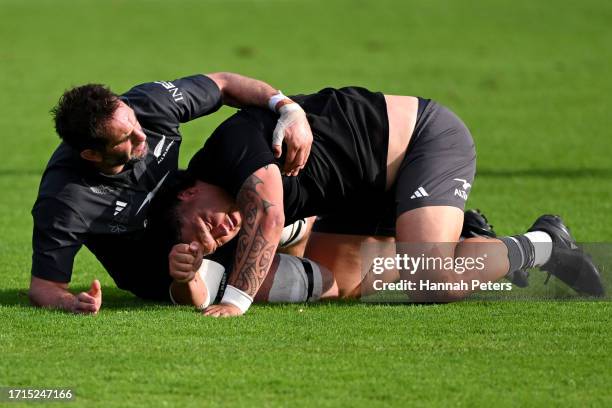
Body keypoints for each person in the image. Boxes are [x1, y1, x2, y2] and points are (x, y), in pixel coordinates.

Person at [162, 86, 605, 317]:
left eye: (205, 222)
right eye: (210, 239)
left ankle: (543, 244)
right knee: (341, 285)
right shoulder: (224, 200)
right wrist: (189, 277)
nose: (219, 232)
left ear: (189, 191)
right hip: (357, 193)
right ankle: (468, 237)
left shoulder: (230, 145)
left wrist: (236, 299)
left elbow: (271, 212)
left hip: (418, 141)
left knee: (433, 280)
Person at [29, 72, 315, 314]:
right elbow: (45, 287)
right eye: (126, 138)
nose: (141, 136)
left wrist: (286, 107)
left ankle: (298, 231)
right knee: (285, 283)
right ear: (91, 154)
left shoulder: (148, 105)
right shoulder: (65, 201)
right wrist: (71, 303)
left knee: (267, 214)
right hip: (153, 263)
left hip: (192, 216)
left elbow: (224, 83)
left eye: (134, 122)